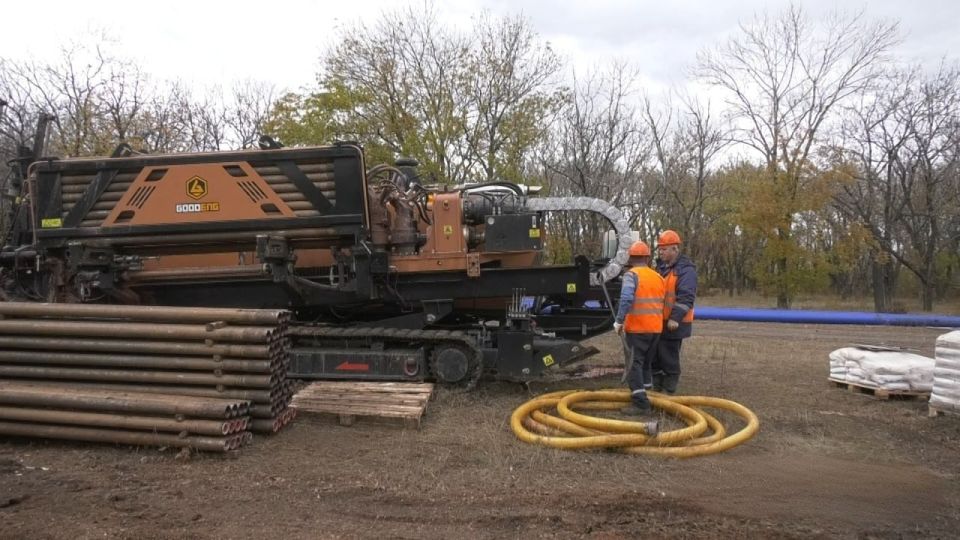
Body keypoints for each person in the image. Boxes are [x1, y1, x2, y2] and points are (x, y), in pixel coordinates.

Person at [613, 241, 665, 415]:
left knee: (634, 364)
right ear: (647, 257)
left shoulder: (631, 275)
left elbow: (627, 298)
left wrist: (619, 321)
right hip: (656, 329)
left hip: (638, 329)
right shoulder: (657, 276)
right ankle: (649, 395)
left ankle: (640, 404)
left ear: (630, 258)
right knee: (646, 364)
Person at [653, 230, 697, 394]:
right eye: (660, 249)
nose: (661, 252)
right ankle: (656, 387)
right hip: (660, 320)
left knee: (669, 356)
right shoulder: (661, 267)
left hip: (674, 322)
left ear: (674, 249)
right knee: (656, 354)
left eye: (664, 249)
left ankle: (669, 390)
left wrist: (675, 318)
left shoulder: (686, 270)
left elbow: (686, 297)